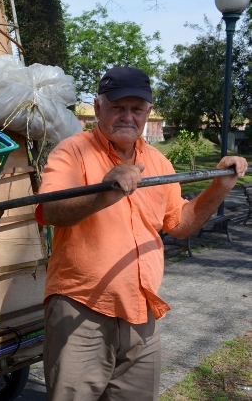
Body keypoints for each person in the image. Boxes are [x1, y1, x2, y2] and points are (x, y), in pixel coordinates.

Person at [34, 66, 248, 401]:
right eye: (118, 107)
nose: (127, 116)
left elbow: (180, 224)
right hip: (81, 309)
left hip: (141, 311)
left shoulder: (159, 163)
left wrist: (220, 187)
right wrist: (104, 190)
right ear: (98, 106)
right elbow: (51, 212)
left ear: (148, 112)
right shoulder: (72, 151)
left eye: (136, 109)